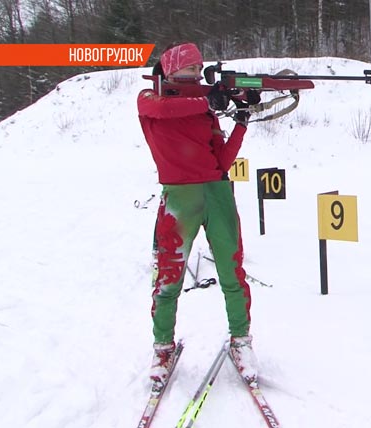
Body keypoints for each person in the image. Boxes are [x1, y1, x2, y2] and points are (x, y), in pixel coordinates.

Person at [136, 42, 262, 384]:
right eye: (190, 69)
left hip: (217, 192)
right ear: (172, 72)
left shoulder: (203, 111)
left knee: (232, 273)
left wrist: (241, 121)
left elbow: (221, 161)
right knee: (168, 279)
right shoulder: (150, 99)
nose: (195, 73)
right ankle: (162, 347)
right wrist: (207, 100)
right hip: (179, 197)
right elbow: (164, 110)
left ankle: (241, 340)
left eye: (198, 69)